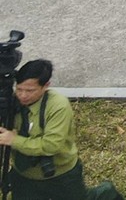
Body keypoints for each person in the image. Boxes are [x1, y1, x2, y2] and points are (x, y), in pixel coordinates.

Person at [1, 58, 85, 200]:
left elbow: (51, 145)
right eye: (19, 89)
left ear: (46, 86)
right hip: (24, 176)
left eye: (30, 90)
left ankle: (107, 192)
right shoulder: (10, 102)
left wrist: (14, 140)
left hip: (61, 176)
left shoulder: (58, 106)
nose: (23, 95)